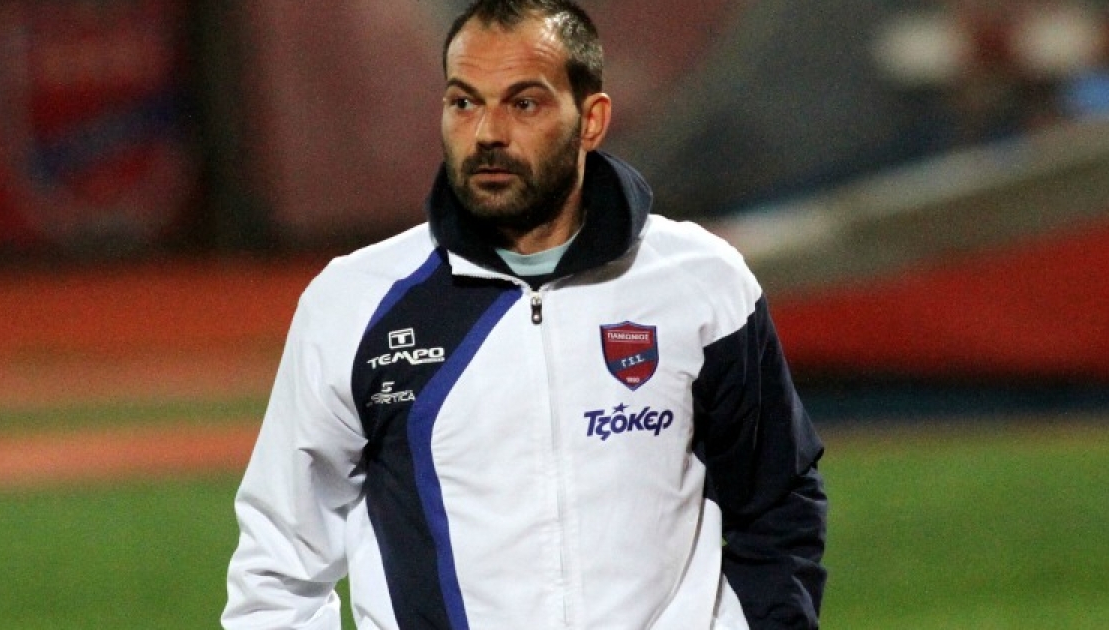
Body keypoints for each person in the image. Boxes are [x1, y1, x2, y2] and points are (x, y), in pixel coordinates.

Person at [222, 1, 827, 628]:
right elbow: (281, 559)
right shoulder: (354, 302)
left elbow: (777, 505)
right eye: (464, 102)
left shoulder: (702, 282)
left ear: (591, 120)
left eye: (524, 103)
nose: (487, 132)